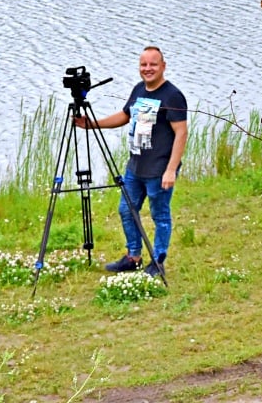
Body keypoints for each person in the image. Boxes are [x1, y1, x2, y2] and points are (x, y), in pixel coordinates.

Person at [75, 46, 188, 277]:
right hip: (135, 167)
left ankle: (158, 262)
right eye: (144, 65)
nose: (148, 69)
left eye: (153, 64)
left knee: (160, 215)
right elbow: (125, 116)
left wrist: (170, 170)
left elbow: (181, 133)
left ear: (163, 66)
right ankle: (133, 257)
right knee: (127, 210)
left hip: (159, 170)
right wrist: (92, 124)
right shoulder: (139, 90)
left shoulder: (172, 96)